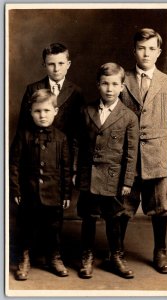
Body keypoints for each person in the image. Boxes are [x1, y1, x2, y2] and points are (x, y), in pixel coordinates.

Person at [120, 28, 167, 274]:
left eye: (151, 49)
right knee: (123, 205)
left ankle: (161, 251)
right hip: (129, 157)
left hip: (157, 157)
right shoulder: (122, 79)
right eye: (141, 48)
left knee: (160, 205)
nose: (146, 53)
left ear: (158, 52)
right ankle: (117, 252)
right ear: (134, 50)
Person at [74, 62, 139, 279]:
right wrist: (76, 170)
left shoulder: (129, 116)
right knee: (89, 218)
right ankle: (87, 256)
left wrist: (128, 181)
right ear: (97, 85)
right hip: (89, 176)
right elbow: (77, 144)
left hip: (114, 178)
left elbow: (131, 153)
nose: (109, 89)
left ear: (122, 86)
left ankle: (116, 256)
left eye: (114, 84)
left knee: (114, 219)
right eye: (104, 84)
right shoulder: (86, 111)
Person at [10, 89, 72, 280]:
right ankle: (24, 258)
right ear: (30, 112)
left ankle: (53, 257)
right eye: (37, 111)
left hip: (54, 194)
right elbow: (14, 165)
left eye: (46, 110)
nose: (42, 115)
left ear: (55, 111)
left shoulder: (61, 138)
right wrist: (15, 189)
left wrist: (66, 194)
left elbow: (66, 169)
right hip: (29, 193)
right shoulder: (23, 135)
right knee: (26, 227)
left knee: (53, 228)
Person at [17, 42, 84, 158]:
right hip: (37, 152)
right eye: (51, 64)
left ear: (68, 64)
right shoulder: (33, 89)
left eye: (61, 63)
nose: (56, 69)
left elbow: (79, 131)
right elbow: (23, 126)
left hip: (65, 154)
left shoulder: (77, 92)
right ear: (44, 65)